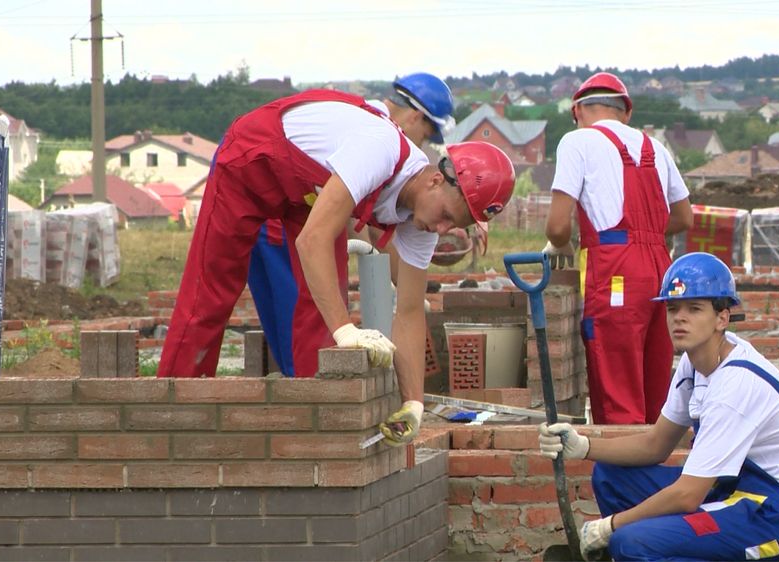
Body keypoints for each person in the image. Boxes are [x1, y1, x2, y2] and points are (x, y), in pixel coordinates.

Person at [157, 86, 515, 447]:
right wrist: (347, 330)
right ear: (437, 179)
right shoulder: (379, 149)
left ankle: (318, 437)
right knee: (211, 295)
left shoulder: (422, 223)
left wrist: (413, 403)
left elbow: (408, 312)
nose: (442, 230)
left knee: (321, 309)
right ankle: (168, 423)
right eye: (446, 216)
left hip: (305, 191)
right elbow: (311, 241)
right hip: (251, 161)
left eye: (454, 226)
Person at [538, 252, 779, 561]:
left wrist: (610, 527)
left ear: (722, 317)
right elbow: (656, 444)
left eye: (694, 309)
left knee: (631, 543)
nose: (679, 318)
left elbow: (689, 495)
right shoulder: (694, 365)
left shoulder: (735, 385)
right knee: (610, 476)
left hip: (774, 521)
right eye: (672, 308)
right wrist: (583, 446)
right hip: (733, 494)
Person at [246, 72, 457, 377]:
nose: (422, 147)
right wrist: (380, 275)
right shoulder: (377, 133)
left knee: (305, 326)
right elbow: (358, 221)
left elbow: (376, 222)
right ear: (414, 117)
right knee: (305, 324)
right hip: (287, 218)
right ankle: (304, 406)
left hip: (300, 217)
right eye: (426, 135)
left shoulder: (385, 134)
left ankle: (301, 401)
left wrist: (407, 290)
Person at [543, 71, 693, 424]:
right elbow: (684, 217)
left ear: (577, 111)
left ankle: (623, 476)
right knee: (655, 391)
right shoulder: (655, 147)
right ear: (626, 112)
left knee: (617, 391)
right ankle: (658, 472)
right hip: (660, 266)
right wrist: (649, 235)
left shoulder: (577, 142)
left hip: (613, 267)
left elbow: (557, 225)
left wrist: (560, 245)